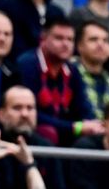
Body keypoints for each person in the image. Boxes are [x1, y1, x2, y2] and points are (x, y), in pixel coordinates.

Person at [16, 15, 99, 146]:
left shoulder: (73, 70)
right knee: (48, 133)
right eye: (59, 38)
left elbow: (83, 109)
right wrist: (74, 127)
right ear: (43, 38)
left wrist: (93, 125)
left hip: (63, 131)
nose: (65, 44)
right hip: (30, 130)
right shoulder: (27, 65)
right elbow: (31, 114)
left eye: (70, 39)